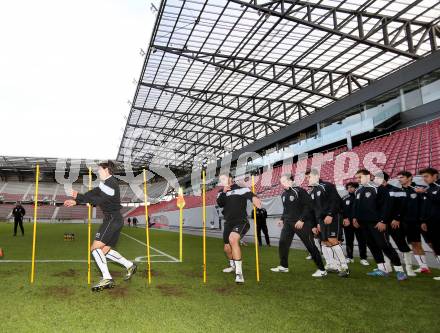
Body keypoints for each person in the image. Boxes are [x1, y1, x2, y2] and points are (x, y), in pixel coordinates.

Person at [64, 161, 137, 291]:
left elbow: (98, 200)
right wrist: (77, 199)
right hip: (115, 220)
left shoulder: (111, 184)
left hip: (112, 220)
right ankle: (129, 265)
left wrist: (78, 199)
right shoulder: (106, 184)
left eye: (99, 170)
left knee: (94, 249)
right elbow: (93, 193)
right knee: (104, 251)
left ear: (106, 170)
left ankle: (107, 278)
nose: (97, 172)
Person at [353, 169, 407, 280]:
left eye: (360, 177)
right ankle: (382, 269)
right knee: (372, 245)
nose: (358, 180)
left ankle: (400, 271)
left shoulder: (379, 188)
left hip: (377, 223)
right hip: (363, 224)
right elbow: (357, 206)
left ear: (368, 176)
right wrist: (355, 218)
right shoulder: (358, 190)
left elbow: (386, 207)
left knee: (384, 245)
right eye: (356, 178)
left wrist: (383, 221)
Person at [270, 174, 326, 277]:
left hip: (301, 224)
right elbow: (286, 209)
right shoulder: (283, 194)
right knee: (283, 243)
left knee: (310, 245)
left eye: (284, 181)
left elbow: (309, 206)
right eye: (281, 182)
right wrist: (282, 219)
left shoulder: (299, 191)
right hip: (288, 223)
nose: (282, 184)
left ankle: (322, 269)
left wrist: (302, 219)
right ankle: (284, 266)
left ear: (291, 181)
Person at [217, 172, 262, 284]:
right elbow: (220, 203)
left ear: (231, 178)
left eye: (224, 178)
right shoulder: (220, 192)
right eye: (220, 179)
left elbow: (252, 196)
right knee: (227, 249)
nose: (222, 181)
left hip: (241, 221)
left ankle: (239, 273)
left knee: (233, 240)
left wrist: (255, 200)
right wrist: (224, 191)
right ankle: (232, 266)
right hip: (228, 223)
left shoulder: (242, 189)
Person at [305, 168, 349, 277]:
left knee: (332, 240)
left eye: (309, 177)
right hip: (321, 220)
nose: (307, 180)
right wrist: (315, 225)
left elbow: (336, 201)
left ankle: (344, 267)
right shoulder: (313, 192)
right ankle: (331, 265)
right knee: (324, 242)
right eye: (306, 178)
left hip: (332, 217)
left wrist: (330, 214)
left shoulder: (327, 186)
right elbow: (314, 210)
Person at [374, 171, 415, 277]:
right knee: (385, 244)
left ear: (383, 179)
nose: (374, 179)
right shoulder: (377, 190)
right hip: (382, 222)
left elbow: (402, 206)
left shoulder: (395, 189)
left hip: (394, 222)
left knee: (401, 244)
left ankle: (409, 268)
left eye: (376, 178)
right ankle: (387, 266)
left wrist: (397, 218)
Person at [397, 171, 431, 274]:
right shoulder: (400, 190)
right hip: (406, 222)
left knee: (431, 244)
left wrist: (424, 220)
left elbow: (427, 205)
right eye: (398, 177)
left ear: (410, 178)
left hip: (421, 222)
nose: (399, 179)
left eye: (402, 177)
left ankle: (424, 266)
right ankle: (423, 267)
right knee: (414, 243)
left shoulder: (419, 189)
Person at [417, 167, 440, 280]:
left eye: (426, 176)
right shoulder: (428, 189)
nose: (424, 179)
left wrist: (425, 192)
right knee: (436, 247)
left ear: (435, 176)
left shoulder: (436, 188)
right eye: (423, 177)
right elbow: (425, 208)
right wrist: (423, 221)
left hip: (438, 223)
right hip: (429, 223)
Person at [342, 182, 369, 266]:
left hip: (359, 223)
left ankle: (363, 258)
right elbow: (341, 210)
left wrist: (359, 220)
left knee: (362, 241)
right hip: (348, 224)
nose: (350, 189)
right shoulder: (344, 198)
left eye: (352, 187)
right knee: (349, 241)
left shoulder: (361, 197)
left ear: (356, 188)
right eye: (348, 187)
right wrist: (344, 219)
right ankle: (350, 257)